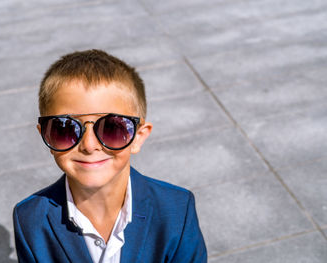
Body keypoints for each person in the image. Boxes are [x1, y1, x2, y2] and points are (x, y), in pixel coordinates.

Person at [13, 50, 207, 263]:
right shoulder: (29, 219)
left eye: (112, 127)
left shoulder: (177, 210)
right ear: (46, 135)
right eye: (65, 128)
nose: (89, 145)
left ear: (138, 137)